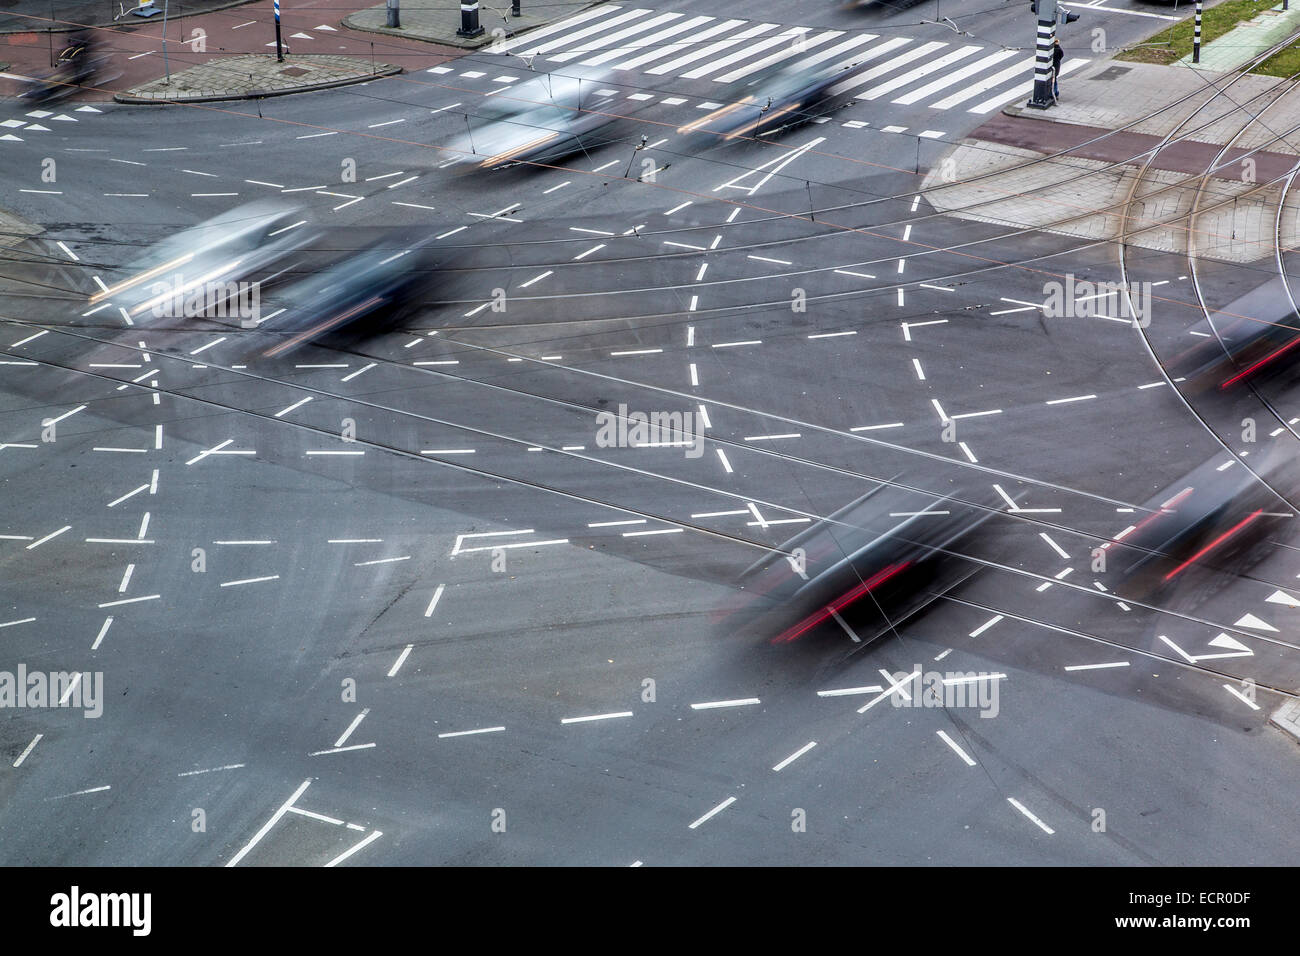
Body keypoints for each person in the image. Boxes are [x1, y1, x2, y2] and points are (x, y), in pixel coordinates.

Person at [1052, 37, 1063, 101]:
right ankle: (1056, 94)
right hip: (1057, 67)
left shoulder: (1052, 50)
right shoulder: (1059, 49)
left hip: (1053, 67)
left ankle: (1054, 93)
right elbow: (1062, 55)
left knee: (1053, 81)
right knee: (1055, 80)